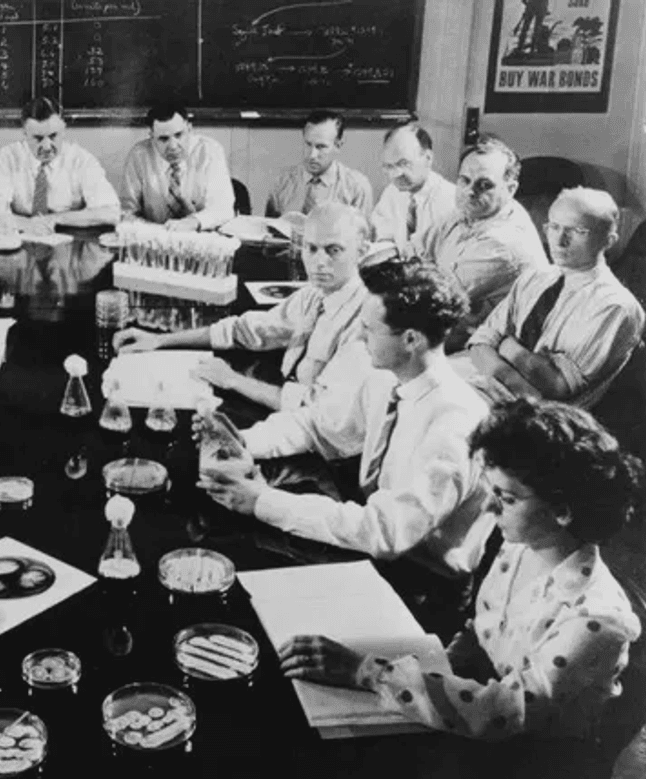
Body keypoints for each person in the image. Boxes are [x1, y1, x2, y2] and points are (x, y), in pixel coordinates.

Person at [277, 398, 642, 741]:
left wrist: (367, 672)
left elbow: (502, 712)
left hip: (538, 759)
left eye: (507, 498)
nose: (490, 509)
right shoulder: (522, 548)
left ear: (562, 511)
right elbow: (484, 631)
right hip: (484, 698)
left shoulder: (597, 620)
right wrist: (437, 669)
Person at [198, 261, 494, 622]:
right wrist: (243, 442)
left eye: (369, 329)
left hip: (420, 587)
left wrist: (262, 501)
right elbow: (320, 426)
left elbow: (386, 532)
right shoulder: (385, 376)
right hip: (367, 546)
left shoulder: (456, 423)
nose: (358, 335)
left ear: (411, 340)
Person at [114, 203, 372, 413]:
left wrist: (233, 380)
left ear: (362, 252)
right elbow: (246, 330)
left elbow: (317, 407)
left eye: (333, 250)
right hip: (287, 409)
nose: (318, 262)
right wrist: (160, 340)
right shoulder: (313, 295)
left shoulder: (367, 323)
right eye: (311, 248)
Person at [462, 187, 645, 409]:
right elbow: (481, 341)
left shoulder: (615, 306)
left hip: (538, 418)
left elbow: (555, 385)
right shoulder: (536, 277)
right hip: (490, 387)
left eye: (578, 231)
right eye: (554, 227)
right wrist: (512, 372)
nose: (559, 241)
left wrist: (506, 345)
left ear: (609, 240)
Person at [421, 134, 549, 349]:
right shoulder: (471, 209)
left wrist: (422, 269)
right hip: (451, 329)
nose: (470, 191)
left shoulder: (504, 243)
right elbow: (414, 251)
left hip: (488, 352)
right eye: (464, 180)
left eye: (485, 185)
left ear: (511, 189)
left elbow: (432, 298)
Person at [0, 96, 119, 234]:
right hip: (21, 237)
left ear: (64, 130)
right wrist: (29, 225)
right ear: (24, 134)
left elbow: (110, 212)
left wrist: (55, 219)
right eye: (38, 138)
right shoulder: (7, 158)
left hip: (68, 242)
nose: (46, 146)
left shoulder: (81, 160)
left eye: (53, 136)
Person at [120, 102, 234, 230]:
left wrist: (192, 222)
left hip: (201, 239)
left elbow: (223, 208)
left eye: (179, 135)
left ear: (190, 129)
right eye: (163, 139)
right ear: (152, 136)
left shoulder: (210, 151)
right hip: (155, 239)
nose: (173, 146)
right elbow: (126, 212)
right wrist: (157, 231)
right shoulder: (139, 155)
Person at [370, 123, 457, 257]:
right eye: (389, 166)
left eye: (403, 163)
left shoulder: (451, 201)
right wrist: (390, 249)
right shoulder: (392, 192)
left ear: (428, 158)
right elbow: (382, 232)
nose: (395, 174)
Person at [264, 110, 374, 218]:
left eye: (321, 147)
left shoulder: (357, 187)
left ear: (338, 146)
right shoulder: (282, 183)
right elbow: (269, 230)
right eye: (308, 144)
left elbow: (363, 234)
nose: (312, 155)